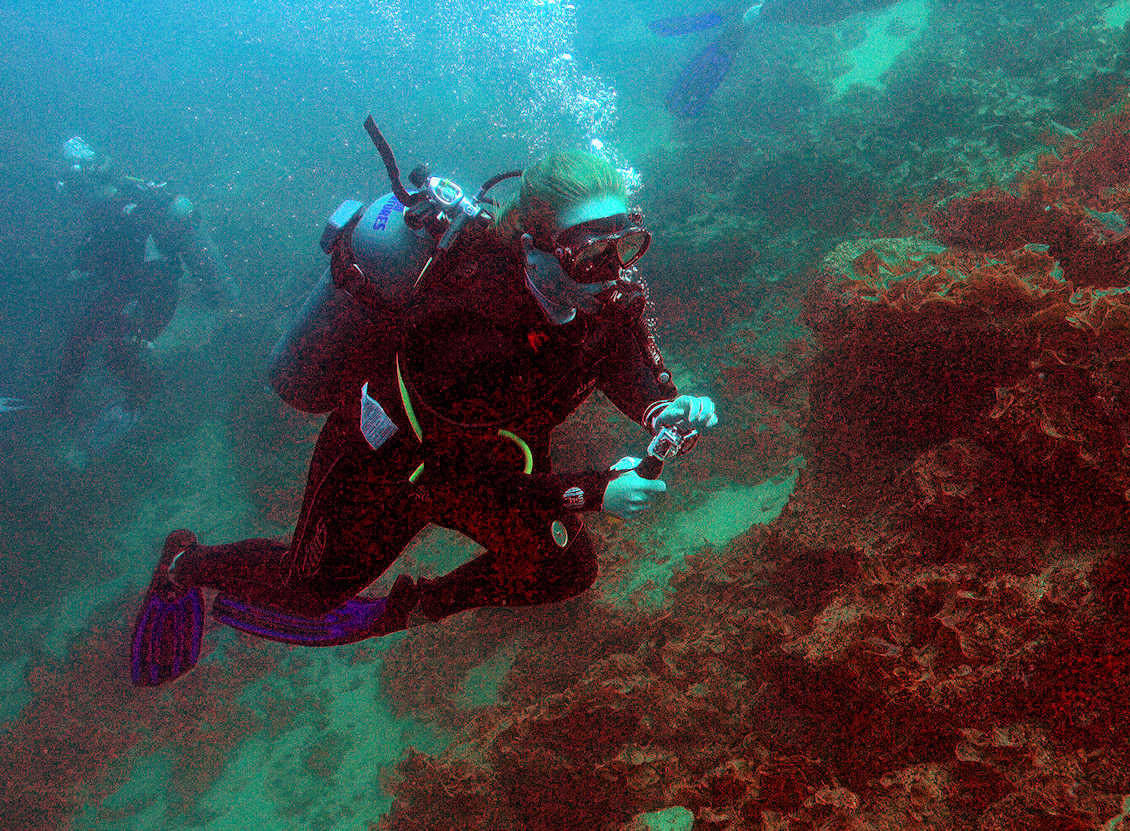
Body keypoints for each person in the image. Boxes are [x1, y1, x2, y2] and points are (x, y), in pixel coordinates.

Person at [130, 138, 718, 686]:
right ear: (534, 249)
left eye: (626, 245)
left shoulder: (600, 292)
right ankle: (184, 564)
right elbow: (459, 472)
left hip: (492, 456)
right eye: (591, 254)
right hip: (393, 465)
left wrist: (660, 407)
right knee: (305, 593)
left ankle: (405, 610)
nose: (615, 270)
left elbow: (620, 356)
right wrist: (593, 490)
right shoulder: (468, 326)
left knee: (564, 569)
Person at [47, 136, 234, 458]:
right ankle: (62, 402)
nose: (73, 201)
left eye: (73, 192)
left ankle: (140, 404)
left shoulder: (117, 209)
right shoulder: (129, 197)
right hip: (142, 287)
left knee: (113, 351)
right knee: (86, 335)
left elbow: (132, 259)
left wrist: (93, 273)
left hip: (150, 292)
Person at [653, 0, 898, 116]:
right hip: (808, 9)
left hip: (806, 9)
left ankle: (733, 21)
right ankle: (733, 19)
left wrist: (762, 12)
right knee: (744, 17)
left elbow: (824, 12)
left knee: (745, 18)